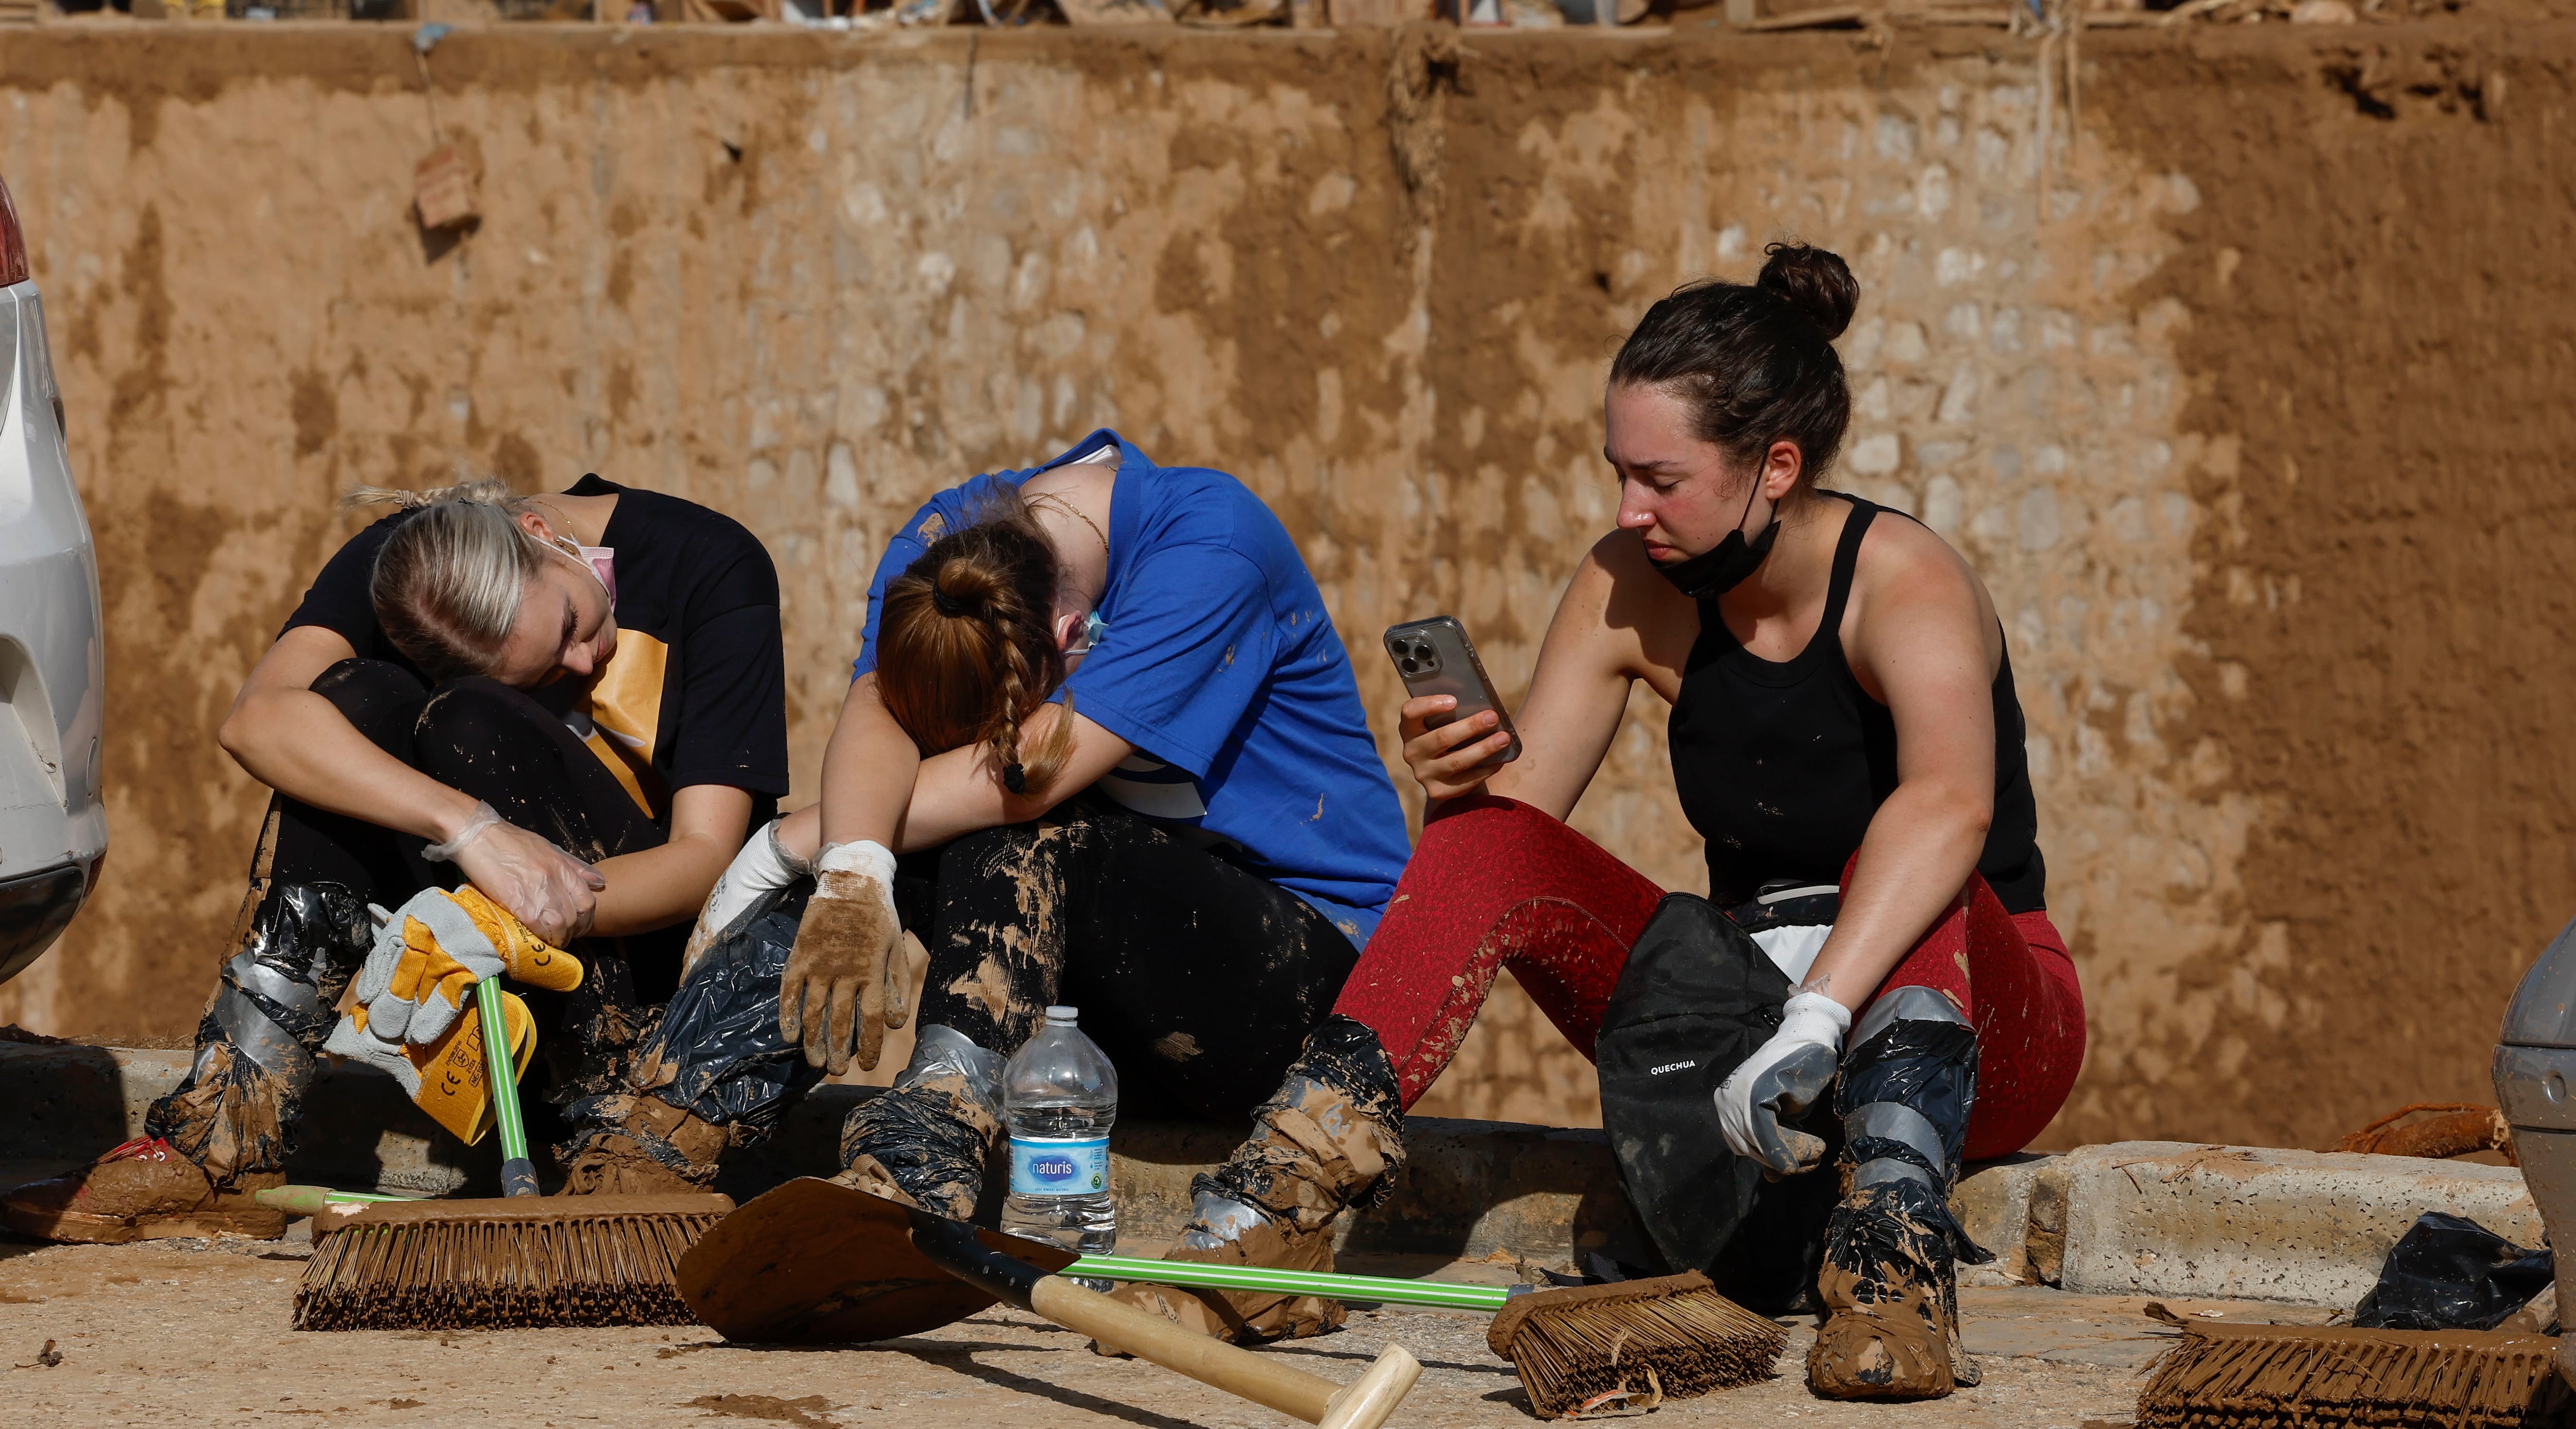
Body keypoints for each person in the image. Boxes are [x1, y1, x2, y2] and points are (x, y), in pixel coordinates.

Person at [1117, 247, 2086, 1402]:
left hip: (1970, 1014)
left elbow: (1949, 804)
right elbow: (1509, 853)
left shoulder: (1903, 578)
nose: (1629, 508)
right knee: (1484, 841)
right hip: (1752, 1014)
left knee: (1911, 851)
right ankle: (1274, 1210)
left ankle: (1892, 1268)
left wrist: (1822, 1007)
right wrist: (1454, 787)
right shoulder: (1628, 580)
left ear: (1775, 466)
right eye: (1619, 471)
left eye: (1661, 478)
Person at [561, 428, 1414, 1222]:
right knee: (879, 839)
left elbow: (1023, 782)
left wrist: (787, 842)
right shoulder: (943, 551)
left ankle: (927, 1150)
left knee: (995, 827)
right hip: (1096, 1006)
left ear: (1075, 636)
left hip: (1298, 990)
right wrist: (849, 868)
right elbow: (877, 719)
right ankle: (661, 1132)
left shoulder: (1210, 551)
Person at [3, 475, 787, 1241]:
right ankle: (229, 1130)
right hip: (468, 971)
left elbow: (707, 857)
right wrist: (468, 827)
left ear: (542, 537)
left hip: (631, 974)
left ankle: (613, 1131)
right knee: (351, 699)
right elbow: (259, 719)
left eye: (574, 624)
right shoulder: (407, 564)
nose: (584, 664)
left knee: (471, 717)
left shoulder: (711, 564)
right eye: (555, 662)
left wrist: (512, 920)